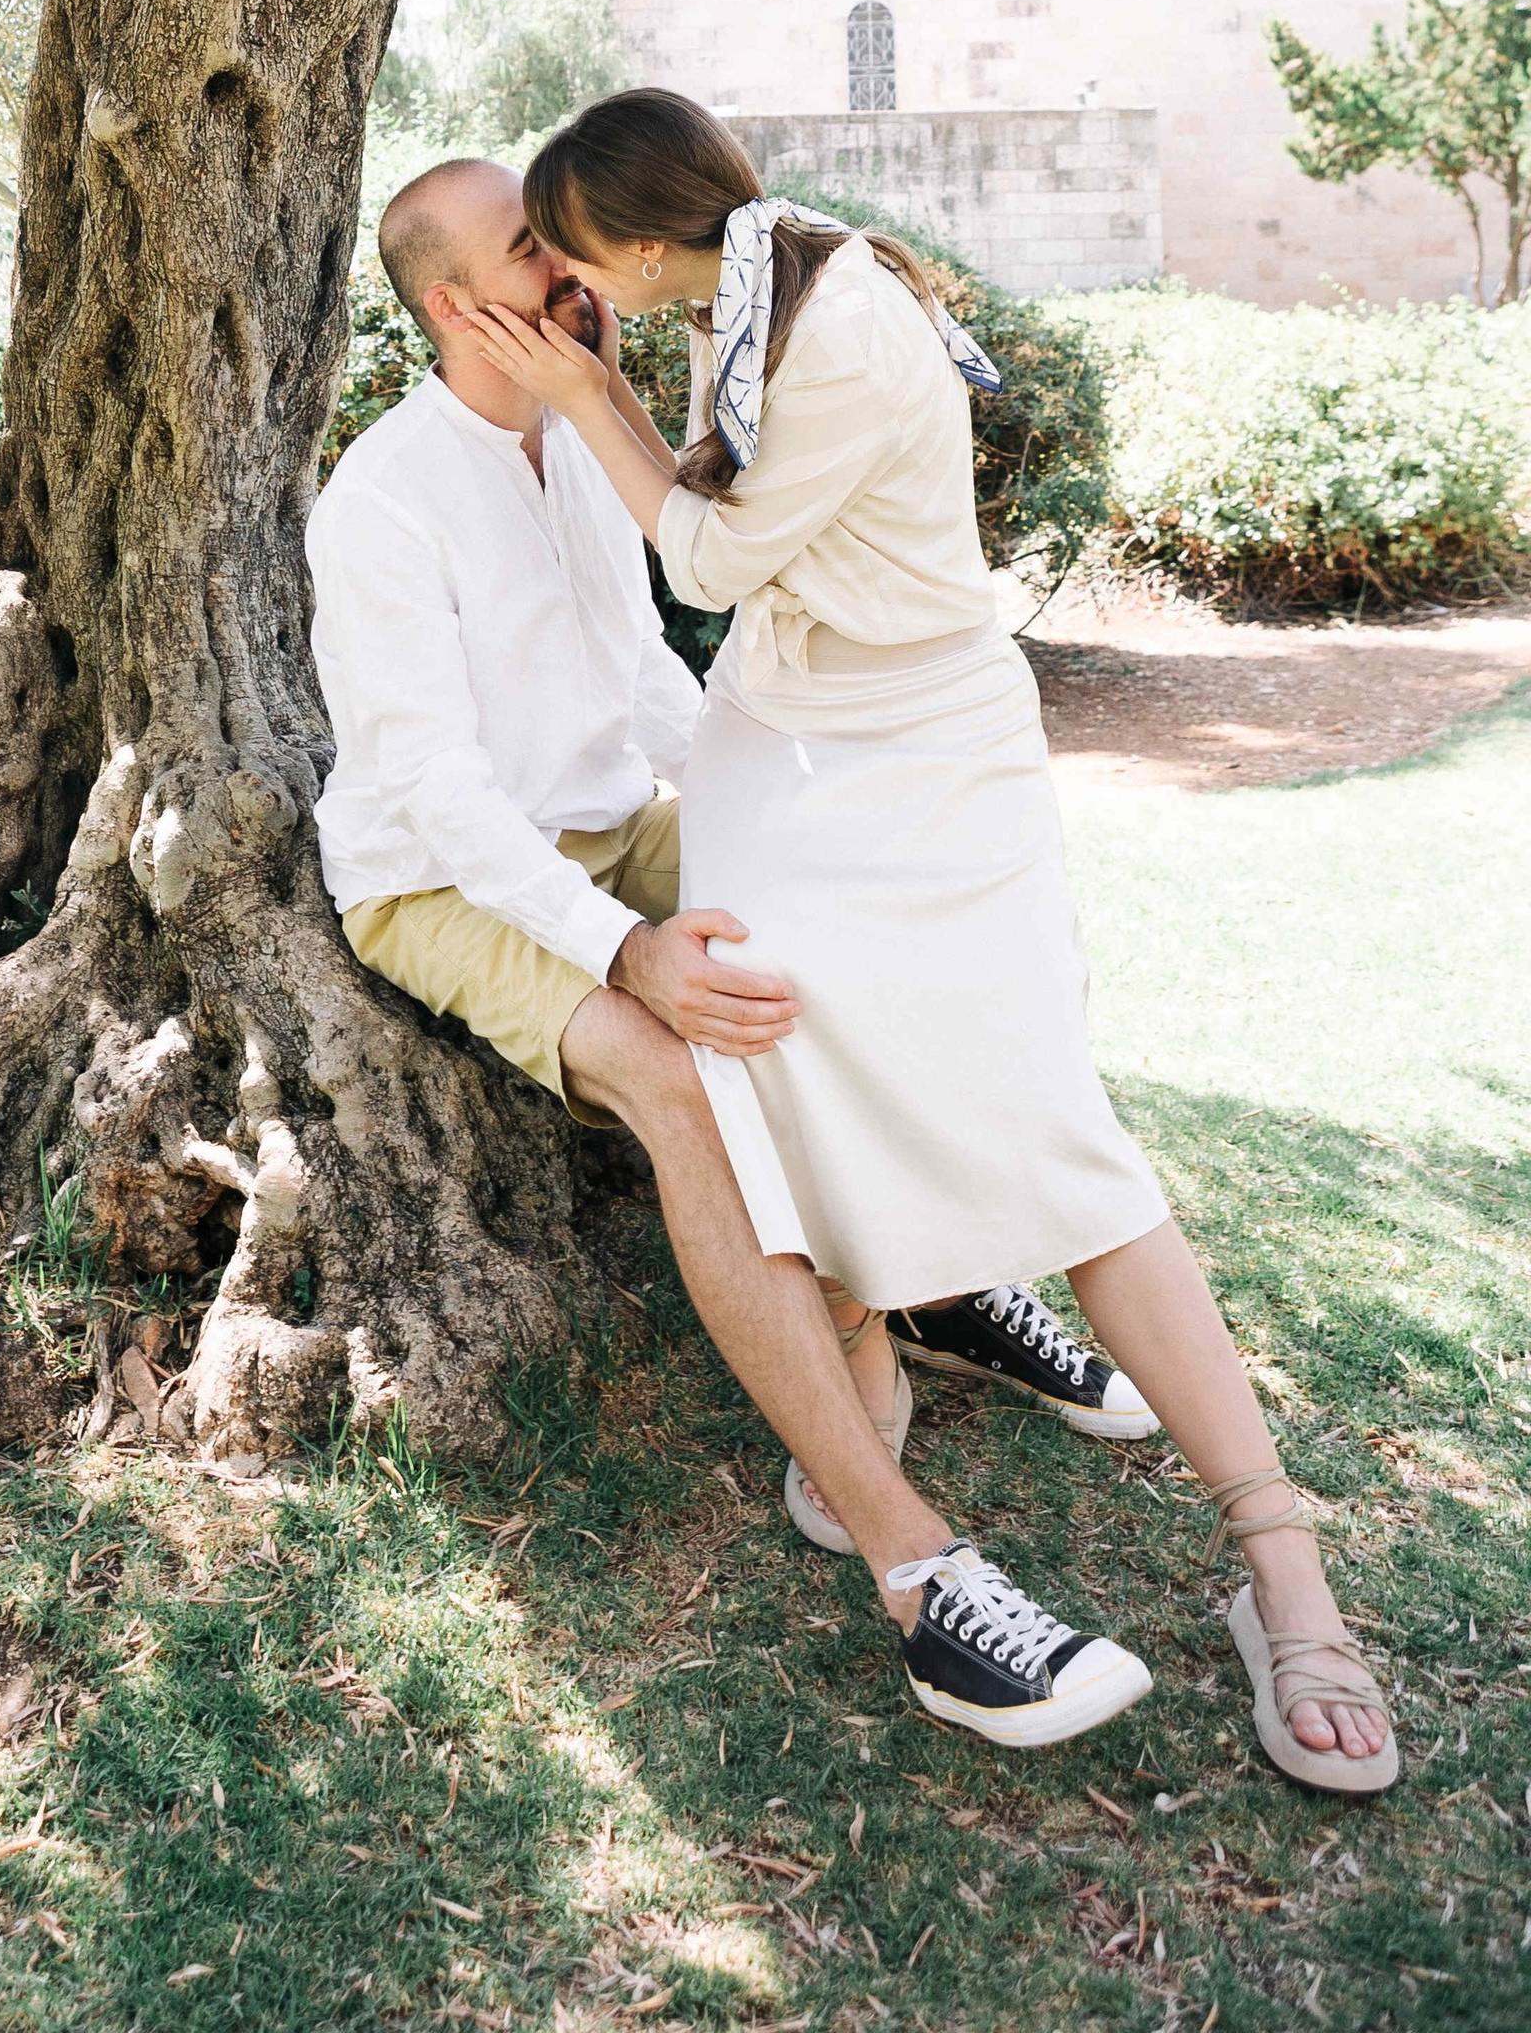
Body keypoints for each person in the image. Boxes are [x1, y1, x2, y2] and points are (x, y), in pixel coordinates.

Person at [451, 88, 1396, 1800]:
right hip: (784, 764)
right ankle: (886, 1336)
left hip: (930, 773)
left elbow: (716, 557)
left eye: (577, 262)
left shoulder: (833, 318)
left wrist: (583, 395)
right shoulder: (750, 279)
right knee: (778, 1048)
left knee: (1063, 1130)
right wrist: (604, 381)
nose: (571, 292)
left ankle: (1285, 1567)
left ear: (642, 244)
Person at [308, 152, 1158, 1753]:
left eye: (566, 243)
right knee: (689, 1080)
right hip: (440, 878)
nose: (571, 271)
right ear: (450, 304)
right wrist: (625, 954)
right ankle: (920, 1576)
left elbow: (645, 682)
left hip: (616, 818)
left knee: (844, 944)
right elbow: (435, 790)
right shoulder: (383, 500)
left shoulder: (577, 439)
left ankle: (939, 1282)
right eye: (529, 251)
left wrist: (786, 817)